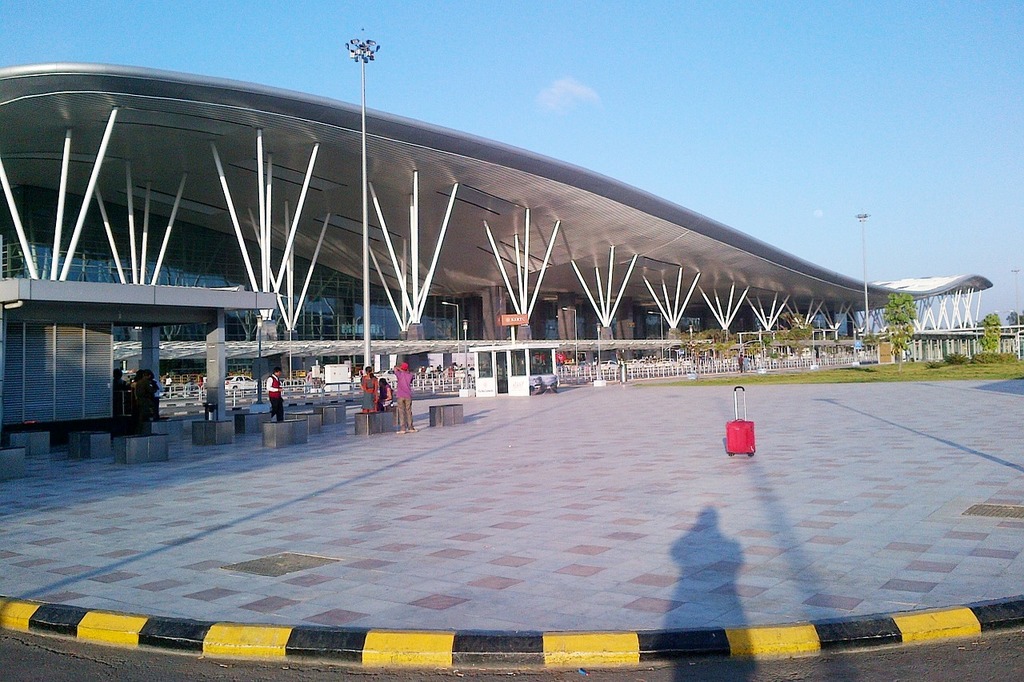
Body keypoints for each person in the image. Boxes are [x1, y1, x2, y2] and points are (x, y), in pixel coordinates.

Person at [131, 369, 157, 433]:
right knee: (144, 417)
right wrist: (154, 388)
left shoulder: (139, 382)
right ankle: (143, 431)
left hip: (138, 401)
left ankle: (138, 430)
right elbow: (151, 391)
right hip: (145, 401)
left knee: (140, 417)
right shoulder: (146, 382)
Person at [394, 361, 416, 434]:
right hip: (408, 395)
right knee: (408, 411)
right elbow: (411, 377)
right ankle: (410, 427)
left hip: (400, 395)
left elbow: (395, 369)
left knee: (401, 412)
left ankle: (403, 428)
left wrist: (399, 368)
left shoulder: (399, 374)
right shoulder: (410, 375)